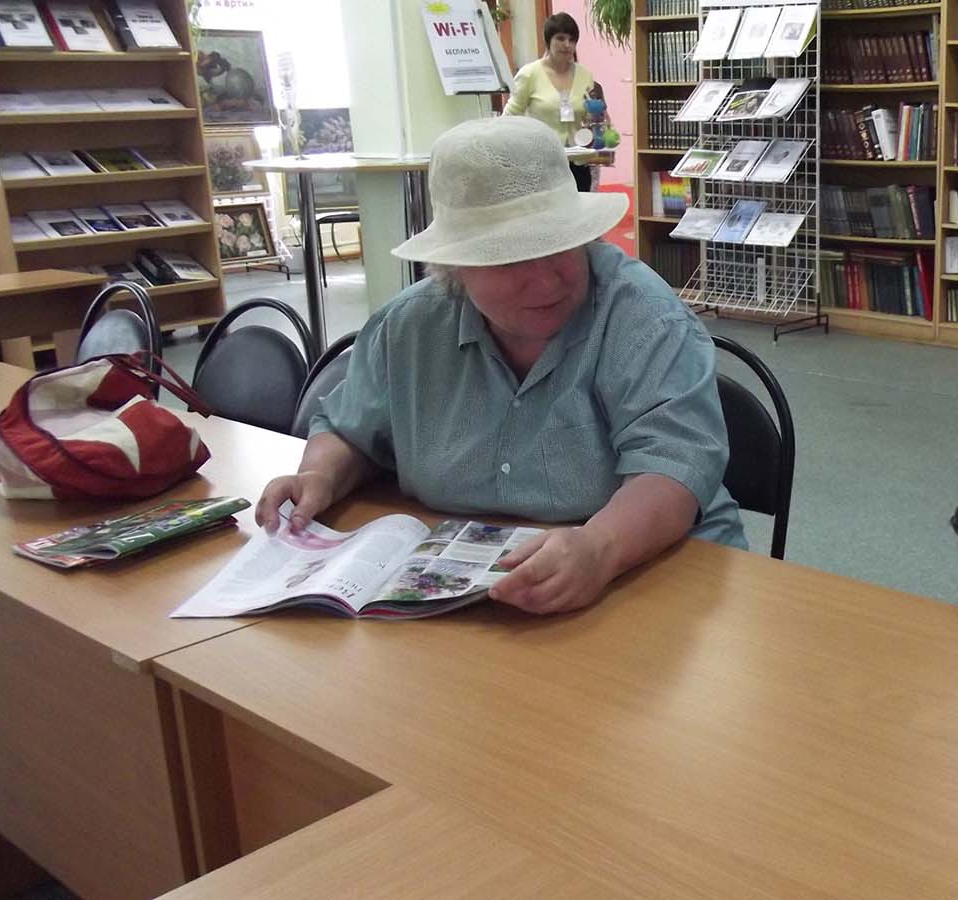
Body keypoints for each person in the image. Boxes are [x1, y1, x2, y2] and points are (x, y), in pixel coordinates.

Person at [255, 116, 747, 616]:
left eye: (561, 246)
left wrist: (600, 546)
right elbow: (350, 431)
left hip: (650, 572)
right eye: (509, 260)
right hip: (475, 592)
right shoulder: (409, 328)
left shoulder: (643, 318)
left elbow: (672, 466)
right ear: (456, 267)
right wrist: (319, 476)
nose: (547, 282)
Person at [504, 12, 596, 192]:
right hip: (540, 165)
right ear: (548, 40)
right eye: (560, 38)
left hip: (577, 163)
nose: (567, 45)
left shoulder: (585, 75)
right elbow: (509, 118)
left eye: (572, 40)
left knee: (578, 209)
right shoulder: (529, 74)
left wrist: (597, 123)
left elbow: (591, 117)